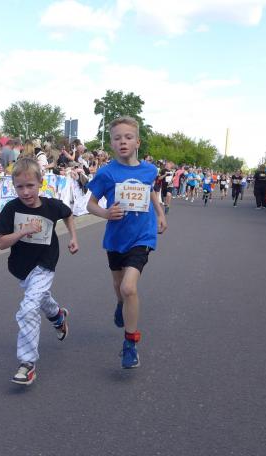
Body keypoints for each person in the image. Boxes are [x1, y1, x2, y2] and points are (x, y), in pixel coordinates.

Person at [86, 116, 167, 370]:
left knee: (129, 287)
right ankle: (120, 304)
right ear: (111, 143)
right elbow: (90, 204)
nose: (123, 142)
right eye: (117, 138)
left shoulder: (149, 170)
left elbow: (150, 191)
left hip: (142, 236)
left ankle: (130, 343)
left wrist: (160, 213)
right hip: (116, 238)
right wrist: (105, 213)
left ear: (137, 142)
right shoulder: (106, 173)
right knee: (118, 285)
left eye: (128, 137)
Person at [0, 157, 78, 386]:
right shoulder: (12, 209)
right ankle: (58, 316)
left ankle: (27, 363)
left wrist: (73, 237)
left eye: (30, 185)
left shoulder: (51, 206)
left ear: (41, 182)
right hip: (21, 267)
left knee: (28, 308)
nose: (25, 192)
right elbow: (1, 243)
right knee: (40, 297)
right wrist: (23, 231)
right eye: (19, 187)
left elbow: (68, 214)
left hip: (46, 263)